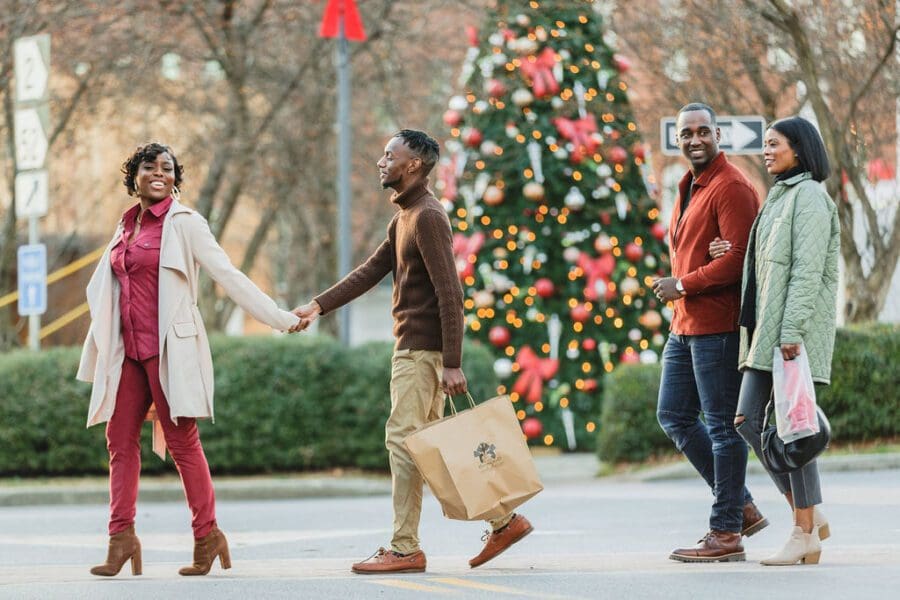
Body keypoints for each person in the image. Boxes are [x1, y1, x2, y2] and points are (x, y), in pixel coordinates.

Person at [290, 129, 532, 573]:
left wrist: (452, 362)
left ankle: (405, 547)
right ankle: (503, 520)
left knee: (403, 445)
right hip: (413, 351)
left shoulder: (427, 217)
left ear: (414, 165)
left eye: (390, 155)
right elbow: (369, 272)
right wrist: (317, 306)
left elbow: (450, 295)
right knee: (423, 448)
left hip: (422, 353)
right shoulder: (403, 217)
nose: (381, 162)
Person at [77, 142, 299, 577]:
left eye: (168, 168)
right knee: (119, 442)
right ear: (134, 176)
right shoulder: (126, 226)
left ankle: (207, 536)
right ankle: (121, 540)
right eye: (149, 166)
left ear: (176, 179)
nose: (159, 173)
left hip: (167, 350)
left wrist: (280, 318)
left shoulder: (185, 224)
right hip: (127, 354)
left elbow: (227, 275)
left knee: (183, 444)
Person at [709, 116, 839, 565]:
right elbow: (764, 264)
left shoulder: (810, 199)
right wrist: (726, 251)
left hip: (788, 335)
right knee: (749, 422)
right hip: (766, 332)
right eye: (764, 144)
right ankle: (808, 512)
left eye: (774, 144)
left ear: (799, 149)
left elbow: (807, 272)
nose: (766, 151)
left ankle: (804, 530)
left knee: (793, 427)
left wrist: (791, 333)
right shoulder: (780, 197)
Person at [651, 103, 766, 563]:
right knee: (674, 415)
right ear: (677, 138)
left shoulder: (733, 186)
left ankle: (726, 532)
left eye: (703, 131)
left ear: (718, 134)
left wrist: (682, 283)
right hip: (685, 325)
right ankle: (741, 505)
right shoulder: (691, 185)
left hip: (716, 324)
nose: (695, 139)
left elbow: (740, 260)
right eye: (686, 133)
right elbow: (710, 250)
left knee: (722, 427)